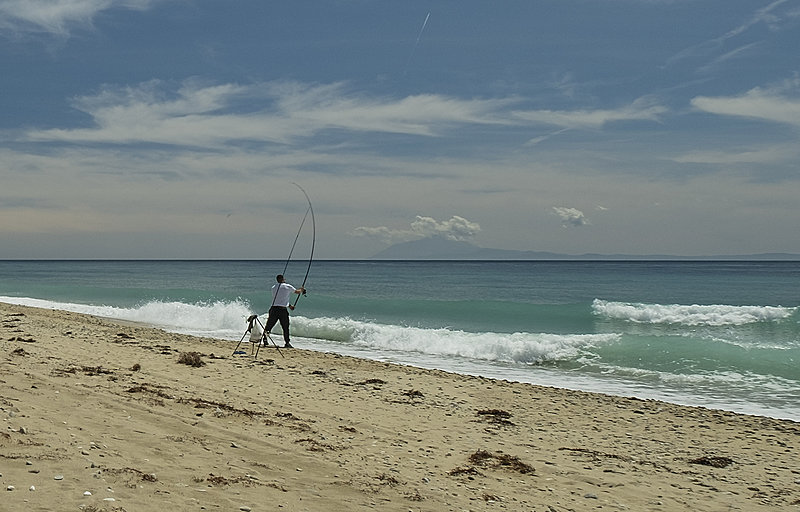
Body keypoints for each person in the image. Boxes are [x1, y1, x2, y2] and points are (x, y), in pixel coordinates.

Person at [264, 274, 305, 348]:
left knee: (269, 325)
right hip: (282, 310)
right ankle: (287, 343)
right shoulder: (287, 286)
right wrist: (301, 289)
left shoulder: (273, 287)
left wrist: (289, 306)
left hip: (273, 309)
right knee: (285, 327)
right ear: (283, 279)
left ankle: (265, 339)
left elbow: (280, 299)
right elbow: (297, 292)